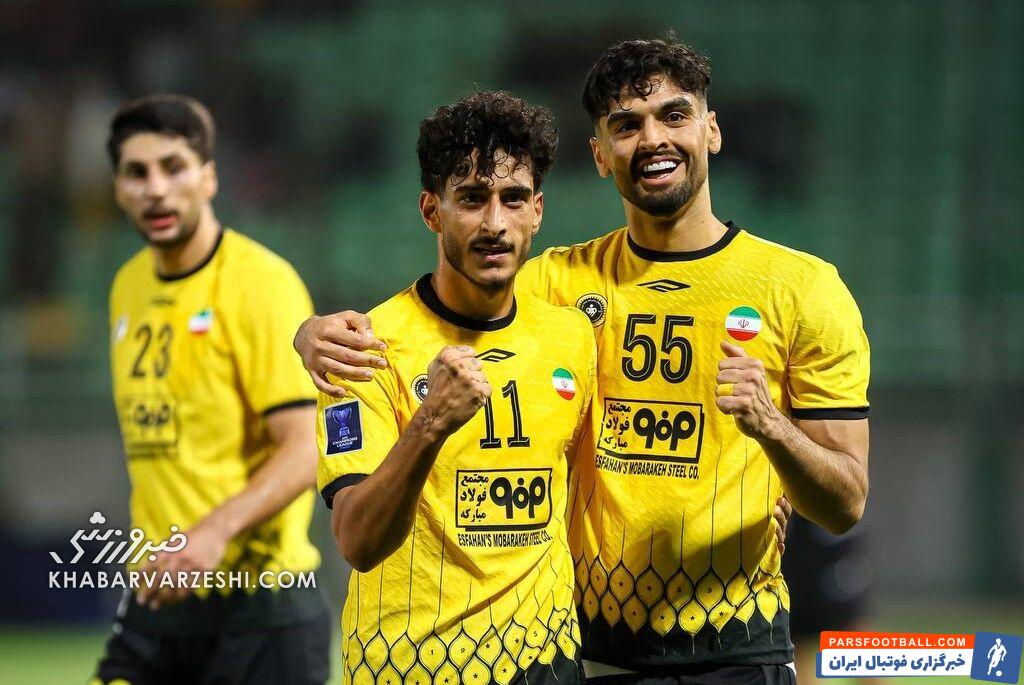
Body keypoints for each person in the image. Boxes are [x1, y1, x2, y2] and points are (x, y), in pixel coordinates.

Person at [297, 37, 868, 685]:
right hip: (593, 650)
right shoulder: (556, 286)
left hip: (737, 644)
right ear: (600, 154)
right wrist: (309, 332)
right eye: (626, 125)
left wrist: (772, 429)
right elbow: (449, 304)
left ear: (711, 130)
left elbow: (844, 502)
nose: (652, 139)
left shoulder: (803, 290)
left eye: (674, 116)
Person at [315, 91, 595, 685]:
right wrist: (431, 423)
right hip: (412, 666)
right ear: (431, 210)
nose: (494, 223)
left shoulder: (572, 335)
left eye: (512, 198)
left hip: (546, 663)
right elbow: (358, 541)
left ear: (537, 211)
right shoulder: (364, 348)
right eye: (471, 198)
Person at [94, 94, 330, 685]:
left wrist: (212, 533)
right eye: (137, 173)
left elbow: (307, 446)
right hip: (159, 602)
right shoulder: (126, 287)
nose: (156, 189)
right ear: (118, 189)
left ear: (208, 178)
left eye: (173, 167)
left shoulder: (261, 284)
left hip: (260, 613)